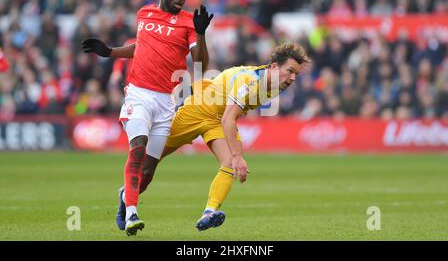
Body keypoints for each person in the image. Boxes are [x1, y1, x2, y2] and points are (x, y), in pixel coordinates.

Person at [121, 42, 310, 231]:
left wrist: (235, 156)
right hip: (197, 111)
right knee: (147, 165)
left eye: (296, 74)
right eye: (290, 71)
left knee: (229, 164)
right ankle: (125, 196)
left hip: (217, 120)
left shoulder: (275, 84)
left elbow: (227, 112)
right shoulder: (251, 82)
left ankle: (209, 213)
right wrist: (238, 155)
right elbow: (230, 118)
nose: (293, 78)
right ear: (275, 66)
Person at [81, 0, 214, 236]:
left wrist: (200, 33)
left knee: (148, 173)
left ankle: (125, 195)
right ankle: (132, 213)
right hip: (138, 93)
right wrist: (110, 52)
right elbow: (140, 47)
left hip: (166, 101)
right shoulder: (144, 13)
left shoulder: (189, 22)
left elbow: (200, 66)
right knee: (138, 147)